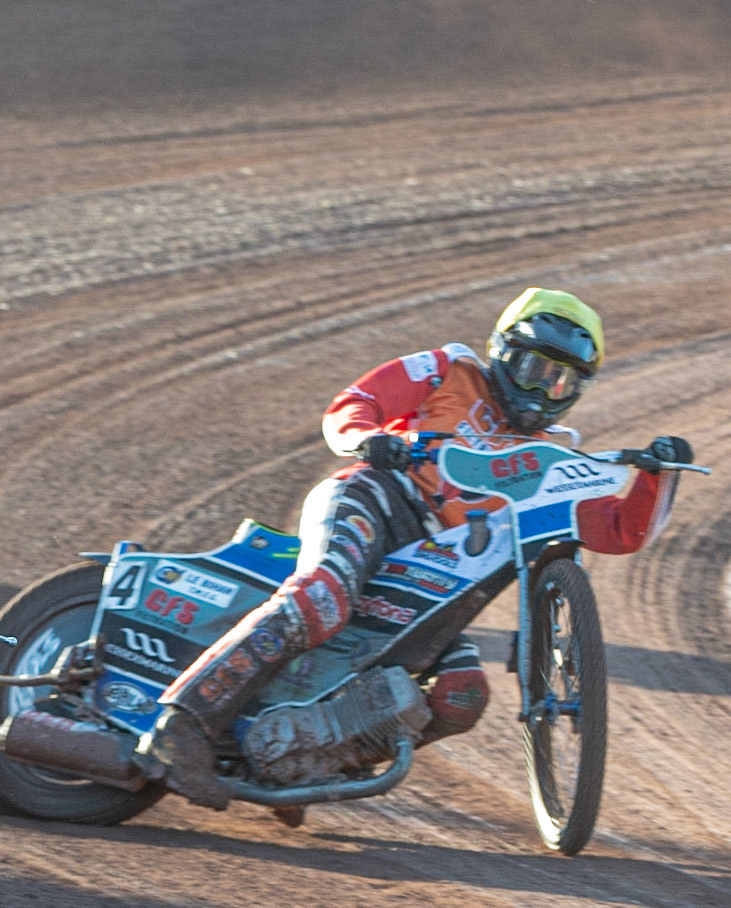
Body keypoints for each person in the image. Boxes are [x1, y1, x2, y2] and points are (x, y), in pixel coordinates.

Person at [140, 288, 693, 808]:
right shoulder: (448, 369)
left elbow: (618, 531)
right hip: (376, 499)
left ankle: (308, 765)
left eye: (561, 381)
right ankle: (180, 723)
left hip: (435, 571)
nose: (543, 390)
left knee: (461, 695)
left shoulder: (549, 460)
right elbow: (353, 402)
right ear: (503, 351)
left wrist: (655, 476)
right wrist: (370, 439)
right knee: (322, 599)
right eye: (534, 368)